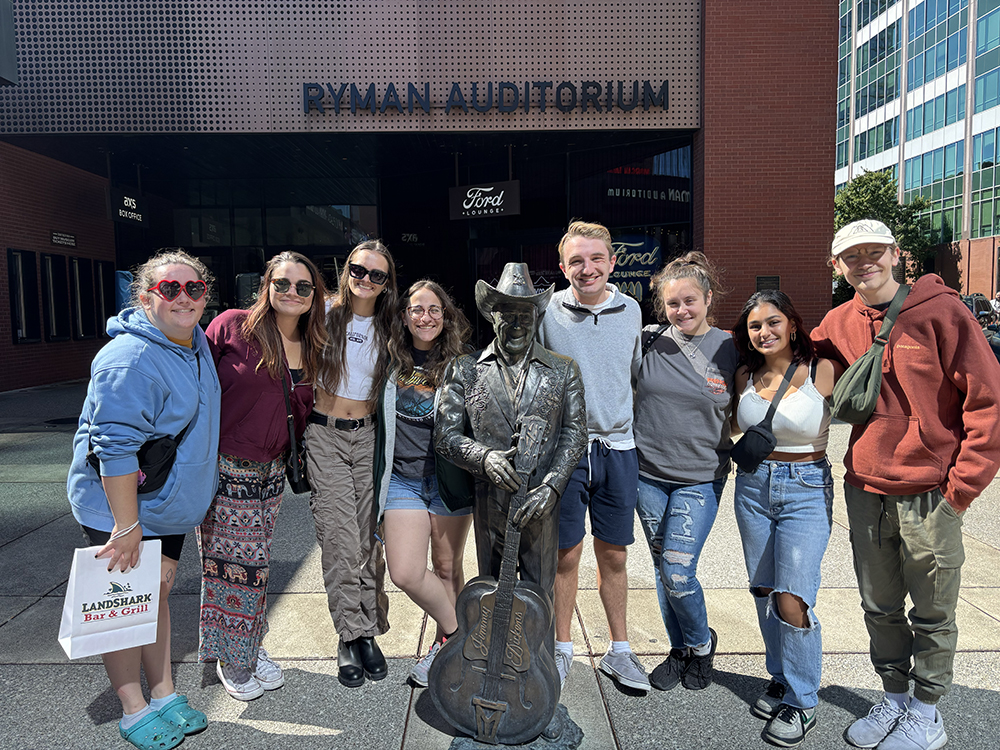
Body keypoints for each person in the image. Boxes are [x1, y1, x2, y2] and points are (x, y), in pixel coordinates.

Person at [813, 219, 1000, 750]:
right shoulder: (838, 321)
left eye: (875, 252)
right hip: (866, 488)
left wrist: (960, 489)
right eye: (852, 256)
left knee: (935, 609)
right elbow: (798, 354)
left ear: (897, 255)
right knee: (879, 605)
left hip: (929, 493)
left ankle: (927, 712)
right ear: (838, 266)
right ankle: (894, 697)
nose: (864, 262)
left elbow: (988, 401)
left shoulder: (944, 312)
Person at [67, 249, 221, 750]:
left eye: (193, 288)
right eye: (169, 288)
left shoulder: (194, 340)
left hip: (168, 501)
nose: (184, 297)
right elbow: (113, 446)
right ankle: (133, 709)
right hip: (123, 508)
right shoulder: (129, 357)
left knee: (153, 597)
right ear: (144, 295)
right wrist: (125, 526)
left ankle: (163, 694)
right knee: (119, 608)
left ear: (205, 294)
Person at [197, 251, 328, 701]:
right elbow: (194, 381)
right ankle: (233, 659)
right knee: (231, 566)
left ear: (314, 295)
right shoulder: (233, 325)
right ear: (266, 287)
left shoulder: (314, 344)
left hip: (272, 472)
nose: (292, 292)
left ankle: (248, 645)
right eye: (282, 283)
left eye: (303, 286)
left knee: (255, 566)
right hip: (226, 466)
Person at [536, 220, 648, 692]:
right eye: (577, 261)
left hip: (618, 448)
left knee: (615, 555)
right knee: (566, 555)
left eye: (596, 258)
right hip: (567, 449)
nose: (587, 268)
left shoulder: (631, 311)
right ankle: (562, 648)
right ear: (563, 267)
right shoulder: (547, 311)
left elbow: (636, 376)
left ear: (612, 262)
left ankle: (619, 651)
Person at [731, 290, 837, 748]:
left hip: (806, 487)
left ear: (792, 324)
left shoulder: (821, 371)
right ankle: (780, 675)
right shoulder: (744, 374)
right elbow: (726, 427)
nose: (764, 332)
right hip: (752, 486)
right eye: (755, 326)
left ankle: (803, 700)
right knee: (764, 589)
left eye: (773, 322)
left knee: (793, 596)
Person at [631, 251, 738, 693]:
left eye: (690, 301)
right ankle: (679, 650)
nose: (682, 311)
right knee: (662, 568)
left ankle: (700, 642)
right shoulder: (648, 339)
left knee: (678, 570)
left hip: (701, 476)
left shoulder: (732, 346)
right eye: (673, 304)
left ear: (708, 298)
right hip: (648, 474)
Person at [307, 239, 398, 688]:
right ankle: (349, 634)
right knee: (339, 536)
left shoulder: (390, 327)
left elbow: (418, 373)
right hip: (324, 435)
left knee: (366, 538)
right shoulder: (320, 313)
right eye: (359, 271)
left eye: (376, 275)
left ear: (386, 284)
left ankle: (368, 630)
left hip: (369, 439)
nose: (365, 280)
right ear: (346, 270)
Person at [377, 279, 473, 687]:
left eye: (435, 309)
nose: (426, 317)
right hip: (402, 480)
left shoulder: (464, 364)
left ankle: (441, 648)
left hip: (448, 480)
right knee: (406, 571)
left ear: (446, 317)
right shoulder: (388, 360)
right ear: (404, 316)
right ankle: (461, 636)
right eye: (417, 309)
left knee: (449, 567)